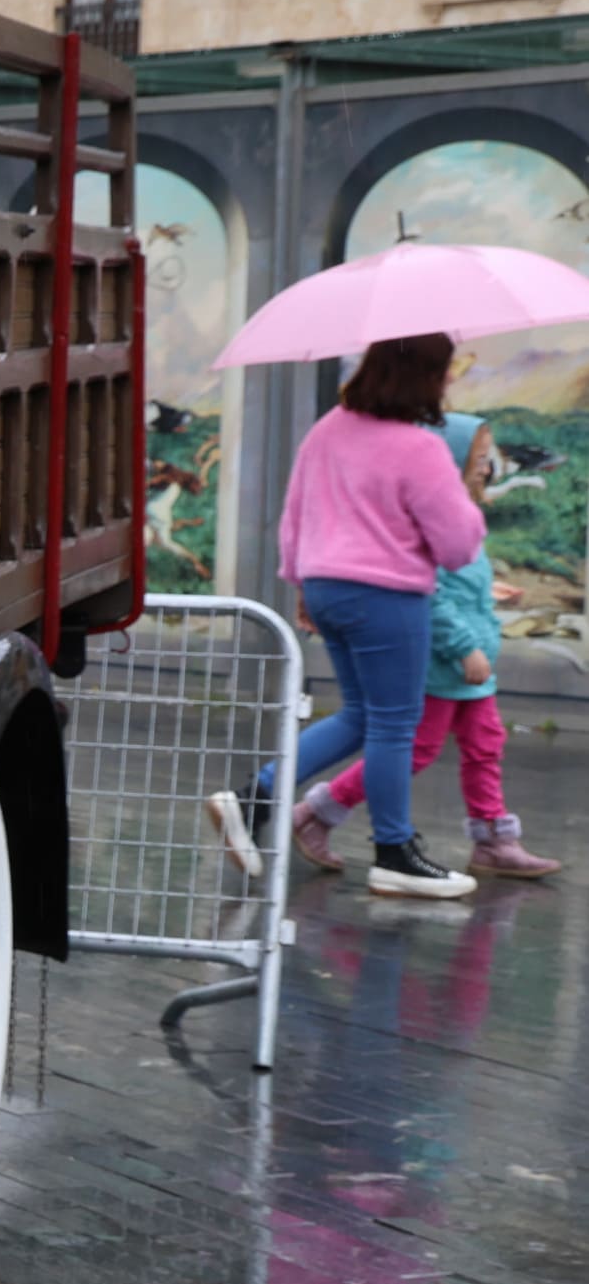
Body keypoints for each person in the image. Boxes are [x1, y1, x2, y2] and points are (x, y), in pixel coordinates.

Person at [209, 331, 488, 900]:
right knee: (394, 724)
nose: (449, 379)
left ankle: (252, 799)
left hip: (326, 587)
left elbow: (294, 514)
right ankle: (395, 853)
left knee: (362, 715)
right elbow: (458, 546)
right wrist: (470, 505)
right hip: (388, 595)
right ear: (423, 377)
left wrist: (300, 584)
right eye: (444, 369)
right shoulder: (421, 447)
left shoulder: (327, 429)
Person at [292, 412, 559, 879]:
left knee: (485, 744)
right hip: (445, 663)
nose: (487, 467)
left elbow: (459, 585)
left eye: (487, 458)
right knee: (415, 749)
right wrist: (462, 647)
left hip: (475, 663)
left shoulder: (465, 513)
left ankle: (494, 838)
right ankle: (318, 812)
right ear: (449, 460)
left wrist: (487, 593)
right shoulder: (430, 519)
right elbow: (431, 594)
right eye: (477, 458)